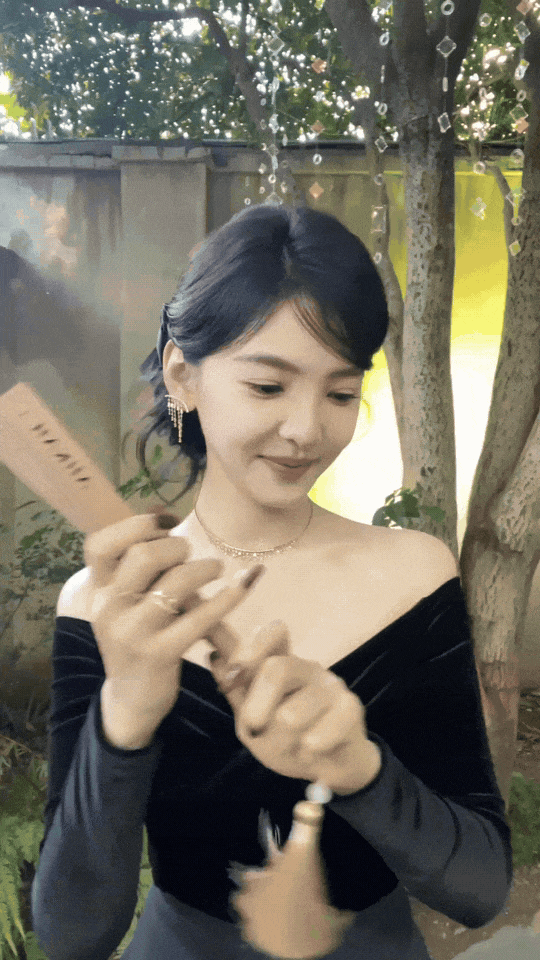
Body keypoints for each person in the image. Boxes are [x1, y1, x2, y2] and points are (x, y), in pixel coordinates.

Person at [31, 204, 513, 960]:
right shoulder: (105, 606)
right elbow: (71, 934)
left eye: (340, 393)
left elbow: (480, 889)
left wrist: (358, 767)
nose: (305, 429)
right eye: (267, 386)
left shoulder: (415, 574)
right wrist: (126, 713)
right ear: (184, 376)